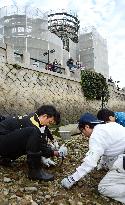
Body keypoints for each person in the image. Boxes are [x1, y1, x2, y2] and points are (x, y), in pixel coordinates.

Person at [61, 112, 125, 204]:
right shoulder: (110, 125)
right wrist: (101, 165)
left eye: (82, 131)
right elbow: (107, 149)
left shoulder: (95, 136)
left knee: (103, 187)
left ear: (87, 127)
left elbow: (90, 162)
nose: (83, 134)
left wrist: (72, 179)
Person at [0, 105, 67, 181]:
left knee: (30, 140)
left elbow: (42, 141)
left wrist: (52, 145)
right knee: (32, 133)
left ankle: (5, 158)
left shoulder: (35, 118)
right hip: (2, 140)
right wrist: (56, 153)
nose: (49, 124)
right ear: (45, 116)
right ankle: (35, 171)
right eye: (50, 122)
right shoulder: (32, 124)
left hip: (6, 141)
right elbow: (40, 146)